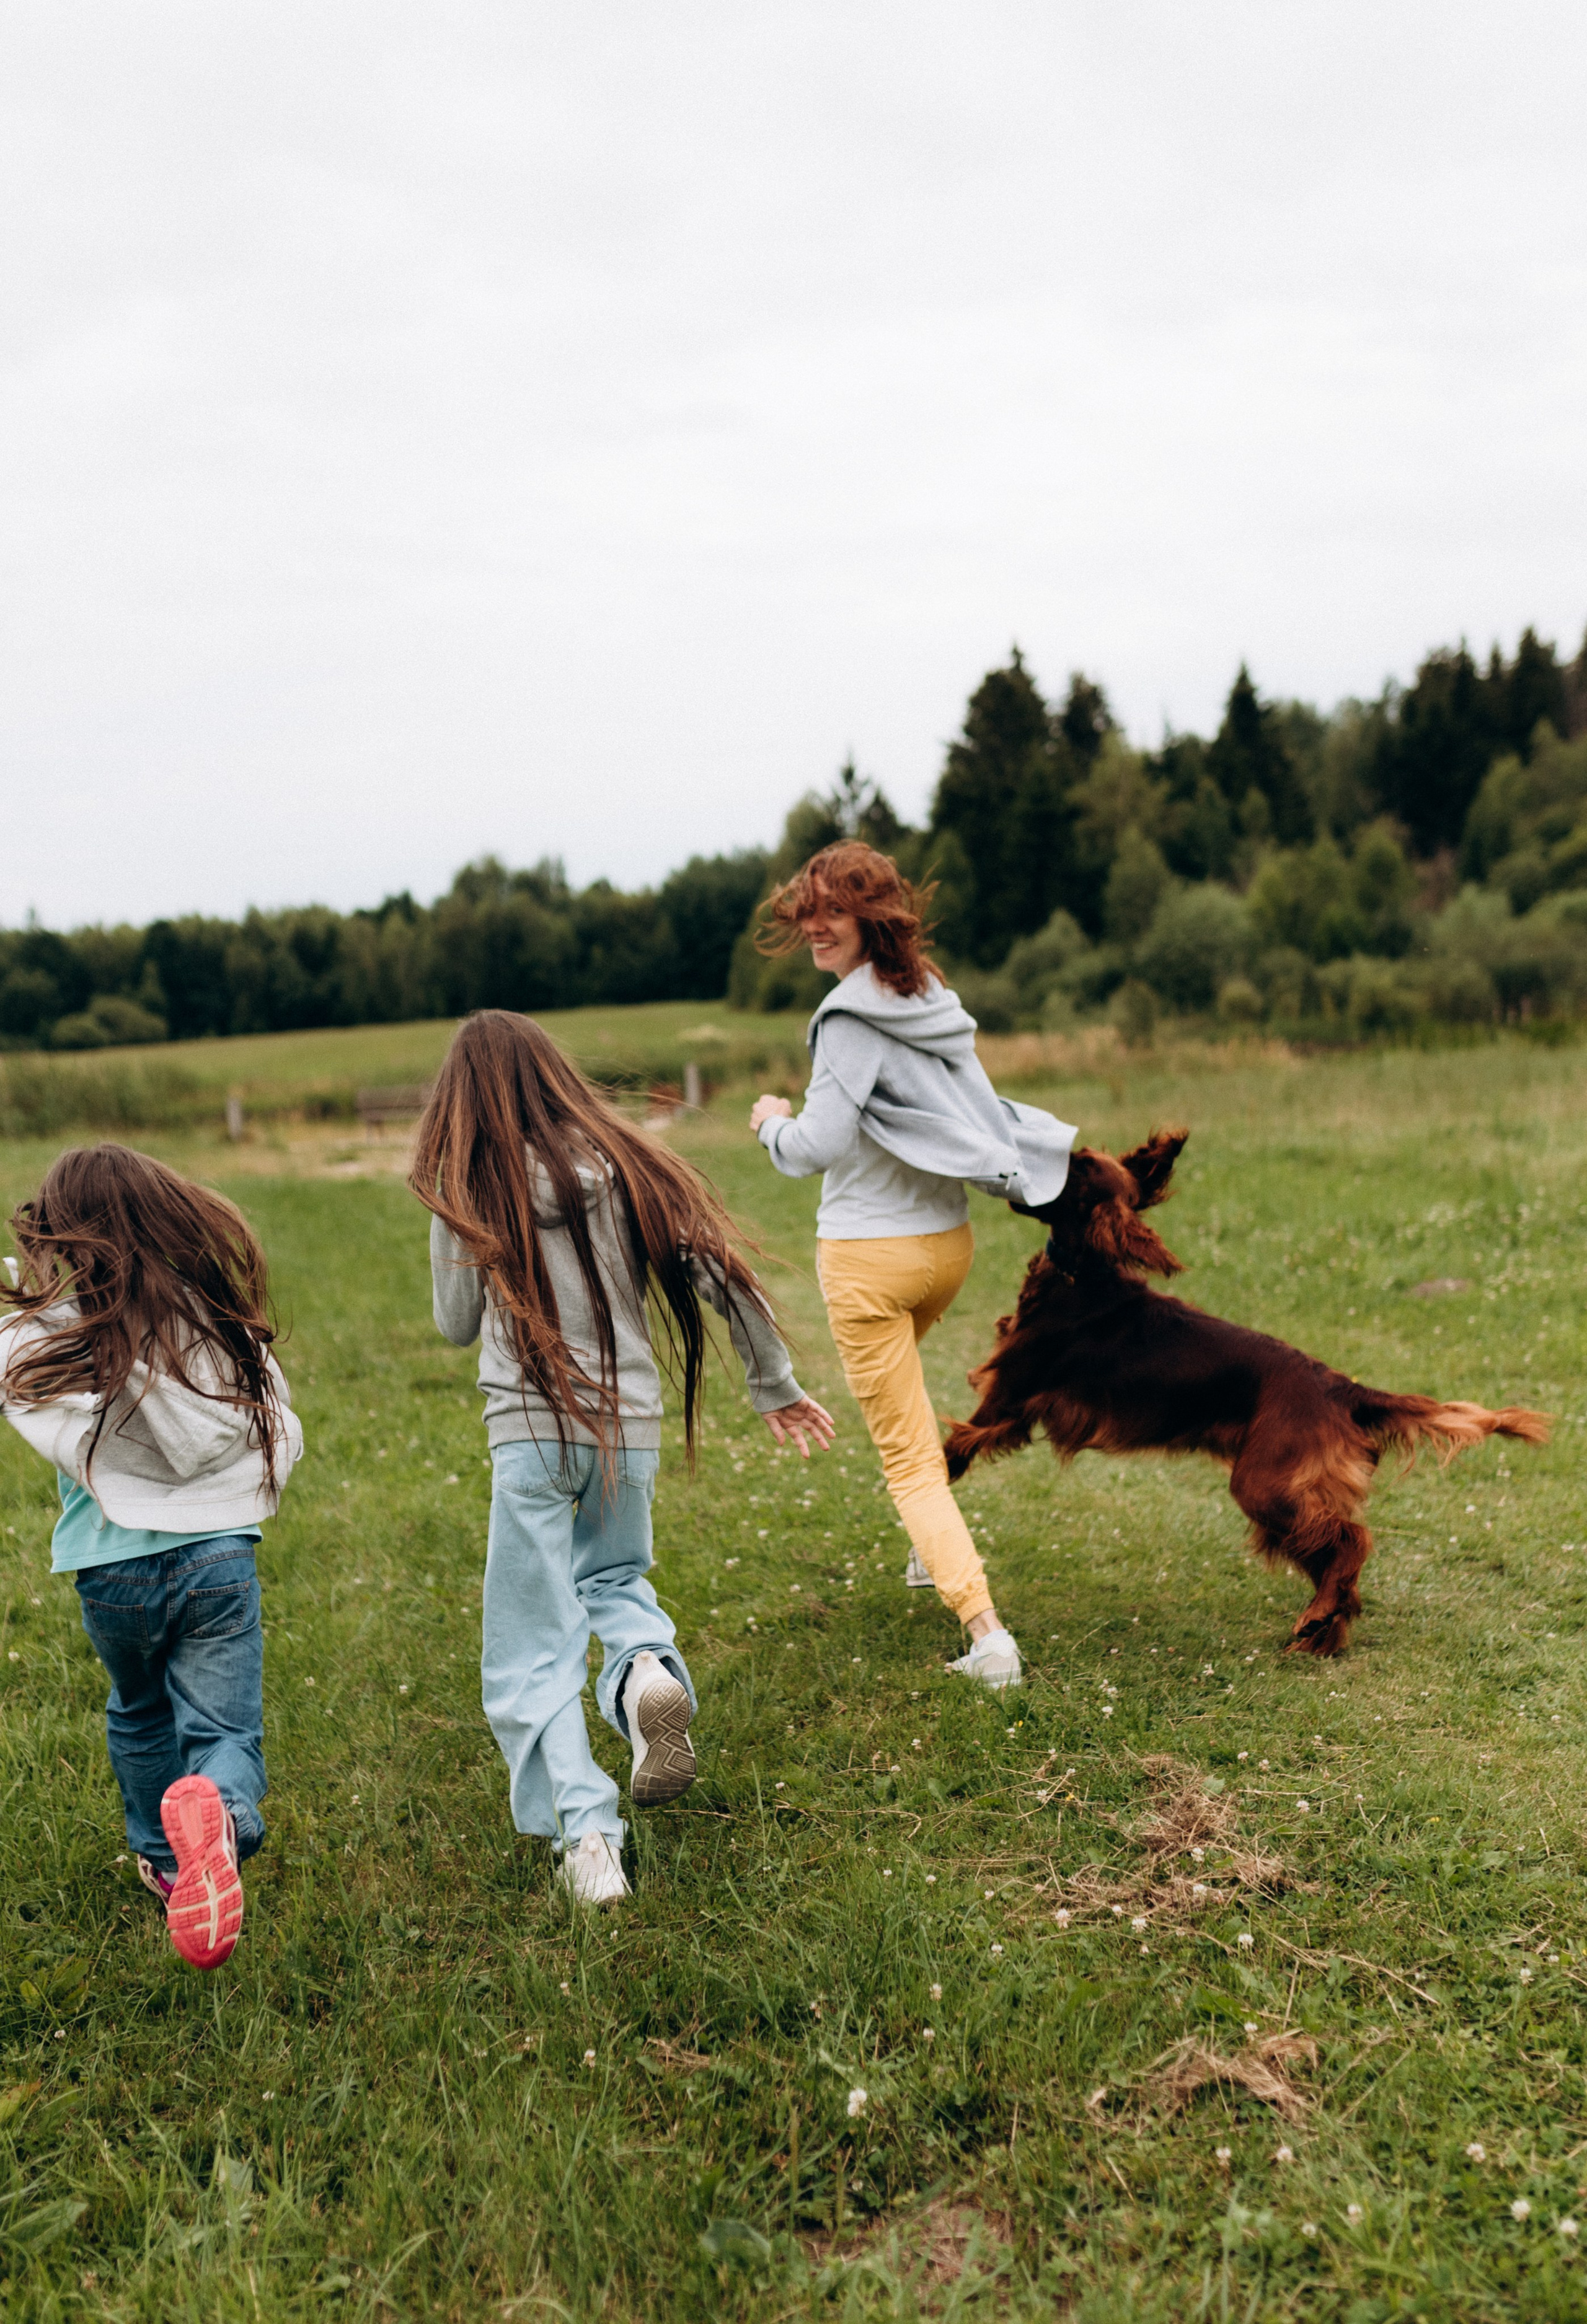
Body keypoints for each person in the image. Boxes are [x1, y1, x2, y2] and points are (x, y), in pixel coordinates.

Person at [412, 1010, 833, 1907]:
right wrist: (775, 1384)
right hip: (626, 1426)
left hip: (528, 1431)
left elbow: (454, 1324)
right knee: (614, 1579)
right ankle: (645, 1671)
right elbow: (723, 1273)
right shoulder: (624, 1161)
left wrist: (456, 1224)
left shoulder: (471, 1185)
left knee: (533, 1646)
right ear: (554, 1075)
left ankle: (590, 1839)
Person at [748, 841, 1075, 1691]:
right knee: (909, 1404)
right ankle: (932, 1551)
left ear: (873, 918)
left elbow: (814, 1146)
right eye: (809, 910)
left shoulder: (848, 1018)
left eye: (835, 911)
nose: (816, 926)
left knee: (908, 1461)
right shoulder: (928, 997)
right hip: (945, 1251)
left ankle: (989, 1639)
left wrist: (770, 1120)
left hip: (870, 1261)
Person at [0, 1146, 301, 1969]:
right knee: (224, 1725)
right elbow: (267, 1412)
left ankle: (167, 1862)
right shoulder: (205, 1316)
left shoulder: (59, 1331)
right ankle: (222, 1816)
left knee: (138, 1708)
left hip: (110, 1571)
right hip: (218, 1556)